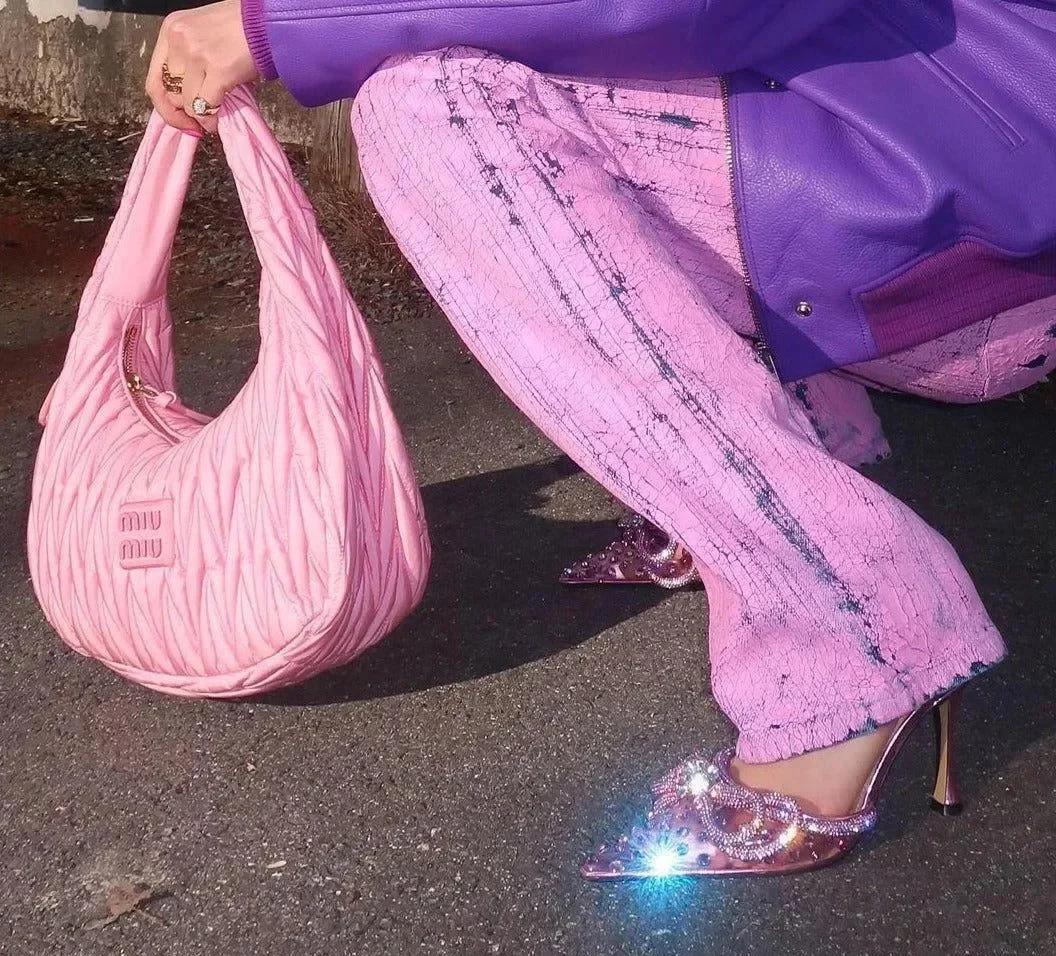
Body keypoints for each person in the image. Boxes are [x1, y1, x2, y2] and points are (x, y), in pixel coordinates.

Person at [145, 1, 1056, 878]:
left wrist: (284, 24)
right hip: (913, 125)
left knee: (430, 106)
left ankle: (853, 624)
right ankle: (772, 460)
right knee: (515, 60)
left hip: (976, 206)